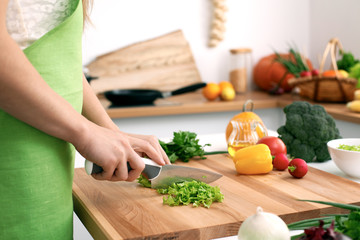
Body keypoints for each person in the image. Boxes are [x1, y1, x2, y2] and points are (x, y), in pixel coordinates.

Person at [0, 0, 169, 239]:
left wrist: (109, 130)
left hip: (52, 167)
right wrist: (85, 133)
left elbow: (58, 63)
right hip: (10, 161)